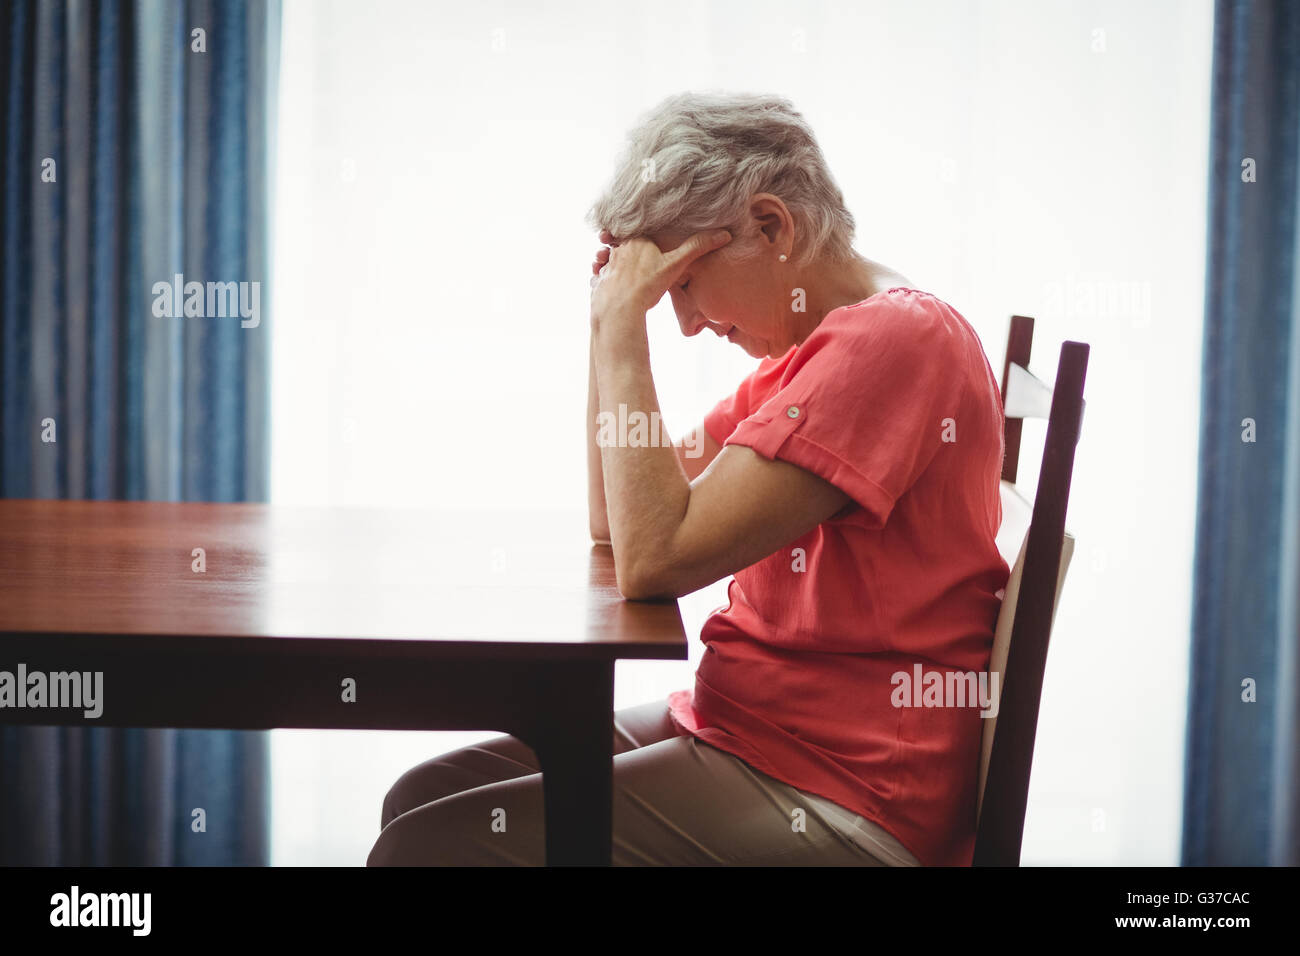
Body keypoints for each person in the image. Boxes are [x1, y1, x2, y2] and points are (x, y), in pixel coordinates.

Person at [368, 90, 1009, 866]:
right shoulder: (817, 350)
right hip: (753, 730)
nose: (686, 322)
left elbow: (655, 560)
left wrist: (621, 329)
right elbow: (618, 517)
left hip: (843, 789)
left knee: (429, 846)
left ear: (773, 226)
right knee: (421, 798)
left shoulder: (893, 343)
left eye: (682, 283)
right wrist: (606, 317)